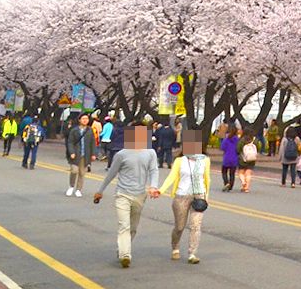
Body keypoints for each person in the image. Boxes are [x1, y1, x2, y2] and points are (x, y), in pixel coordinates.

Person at [93, 124, 159, 267]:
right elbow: (111, 174)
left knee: (133, 227)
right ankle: (125, 255)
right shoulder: (122, 154)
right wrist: (100, 190)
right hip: (122, 194)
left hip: (140, 195)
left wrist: (154, 186)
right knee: (124, 225)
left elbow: (154, 171)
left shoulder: (150, 153)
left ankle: (123, 248)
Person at [159, 131, 210, 264]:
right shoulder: (179, 161)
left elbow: (207, 179)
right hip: (181, 195)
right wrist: (161, 190)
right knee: (180, 227)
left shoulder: (205, 160)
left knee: (196, 226)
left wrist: (206, 196)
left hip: (199, 196)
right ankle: (175, 247)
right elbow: (172, 177)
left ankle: (192, 253)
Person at [64, 113, 95, 196]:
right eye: (83, 119)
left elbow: (93, 142)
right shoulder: (74, 130)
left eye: (87, 119)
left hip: (85, 155)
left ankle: (78, 189)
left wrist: (93, 154)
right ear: (79, 120)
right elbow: (70, 142)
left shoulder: (90, 130)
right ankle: (71, 186)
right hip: (75, 154)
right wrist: (72, 152)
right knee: (74, 170)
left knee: (82, 173)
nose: (85, 120)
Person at [220, 124, 240, 192]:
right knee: (232, 173)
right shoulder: (237, 140)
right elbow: (239, 149)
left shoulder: (226, 139)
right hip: (234, 158)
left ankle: (226, 183)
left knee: (224, 171)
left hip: (227, 158)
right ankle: (230, 186)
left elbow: (222, 147)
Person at [238, 127, 258, 192]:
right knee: (248, 173)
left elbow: (238, 149)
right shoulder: (254, 140)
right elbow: (258, 147)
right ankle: (246, 188)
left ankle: (243, 182)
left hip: (243, 159)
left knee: (241, 172)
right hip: (252, 159)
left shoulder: (242, 140)